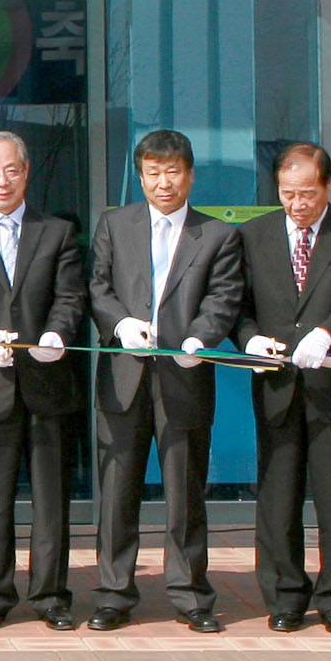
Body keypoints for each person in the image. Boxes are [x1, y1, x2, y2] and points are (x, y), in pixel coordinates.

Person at [87, 129, 243, 633]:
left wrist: (200, 337)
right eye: (153, 173)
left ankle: (191, 595)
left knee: (185, 492)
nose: (163, 182)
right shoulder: (115, 224)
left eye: (172, 172)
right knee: (117, 492)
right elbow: (97, 287)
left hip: (184, 375)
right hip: (123, 377)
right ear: (141, 177)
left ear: (190, 176)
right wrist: (119, 325)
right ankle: (113, 594)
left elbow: (223, 298)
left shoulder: (216, 234)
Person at [0, 131, 87, 631]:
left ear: (26, 172)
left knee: (51, 499)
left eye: (11, 170)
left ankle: (51, 595)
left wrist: (57, 333)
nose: (1, 181)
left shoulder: (57, 232)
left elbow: (71, 297)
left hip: (48, 385)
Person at [239, 144, 331, 634]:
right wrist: (248, 338)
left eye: (307, 194)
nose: (297, 204)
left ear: (328, 186)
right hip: (277, 385)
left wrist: (326, 332)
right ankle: (284, 597)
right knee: (277, 498)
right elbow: (239, 305)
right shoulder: (254, 235)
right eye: (288, 194)